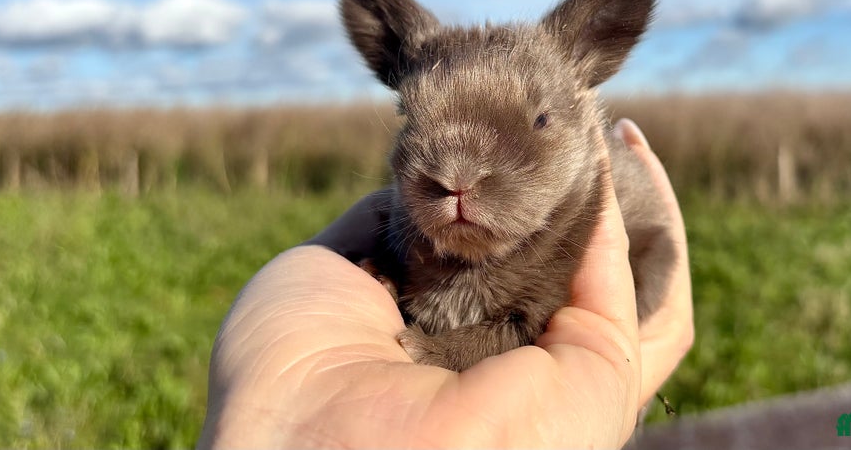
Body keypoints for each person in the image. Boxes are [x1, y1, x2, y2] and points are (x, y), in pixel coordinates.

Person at [198, 119, 694, 449]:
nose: (456, 176)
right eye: (416, 121)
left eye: (538, 122)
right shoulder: (396, 229)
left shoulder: (581, 202)